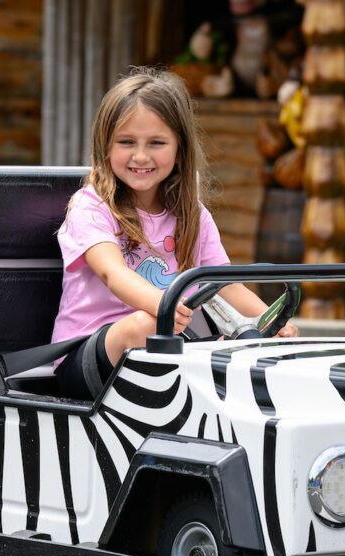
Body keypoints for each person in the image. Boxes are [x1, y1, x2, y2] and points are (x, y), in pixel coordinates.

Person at [52, 67, 298, 398]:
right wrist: (163, 306)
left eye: (156, 143)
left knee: (241, 344)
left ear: (179, 148)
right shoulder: (91, 206)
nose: (141, 156)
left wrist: (271, 322)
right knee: (146, 325)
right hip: (88, 358)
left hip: (168, 345)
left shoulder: (191, 214)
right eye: (126, 142)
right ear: (105, 146)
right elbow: (113, 273)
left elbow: (225, 283)